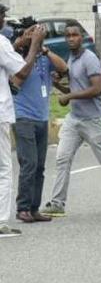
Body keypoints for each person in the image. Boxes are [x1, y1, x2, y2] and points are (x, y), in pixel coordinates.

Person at [42, 23, 101, 218]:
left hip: (93, 119)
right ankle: (57, 203)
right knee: (62, 158)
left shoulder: (89, 59)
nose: (71, 38)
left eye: (75, 35)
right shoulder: (71, 58)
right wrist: (59, 86)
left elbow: (97, 89)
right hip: (75, 119)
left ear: (81, 37)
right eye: (68, 36)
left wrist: (69, 97)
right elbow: (74, 90)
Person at [13, 24, 63, 224]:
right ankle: (22, 208)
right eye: (31, 34)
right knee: (29, 163)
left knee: (40, 166)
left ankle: (34, 208)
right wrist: (31, 46)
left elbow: (63, 68)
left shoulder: (42, 56)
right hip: (23, 117)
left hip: (42, 117)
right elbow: (20, 76)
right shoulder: (16, 57)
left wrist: (44, 49)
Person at [2, 24, 44, 235]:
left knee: (33, 167)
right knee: (10, 167)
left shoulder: (5, 45)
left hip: (33, 116)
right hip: (10, 115)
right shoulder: (3, 45)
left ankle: (28, 209)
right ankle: (10, 216)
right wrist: (33, 44)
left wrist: (24, 45)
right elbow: (21, 72)